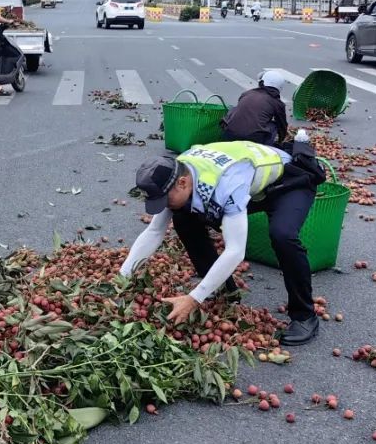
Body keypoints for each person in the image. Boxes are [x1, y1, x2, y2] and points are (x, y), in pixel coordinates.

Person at [120, 138, 325, 345]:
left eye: (165, 200)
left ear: (182, 183)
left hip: (288, 181)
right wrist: (122, 277)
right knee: (182, 216)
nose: (165, 205)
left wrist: (194, 298)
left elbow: (236, 251)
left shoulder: (226, 187)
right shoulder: (177, 171)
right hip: (251, 183)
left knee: (283, 235)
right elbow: (155, 231)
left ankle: (305, 316)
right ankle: (223, 291)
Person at [220, 70, 287, 147]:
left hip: (229, 134)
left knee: (234, 110)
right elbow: (282, 125)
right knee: (274, 125)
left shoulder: (247, 93)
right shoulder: (277, 103)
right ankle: (266, 149)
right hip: (253, 139)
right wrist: (281, 141)